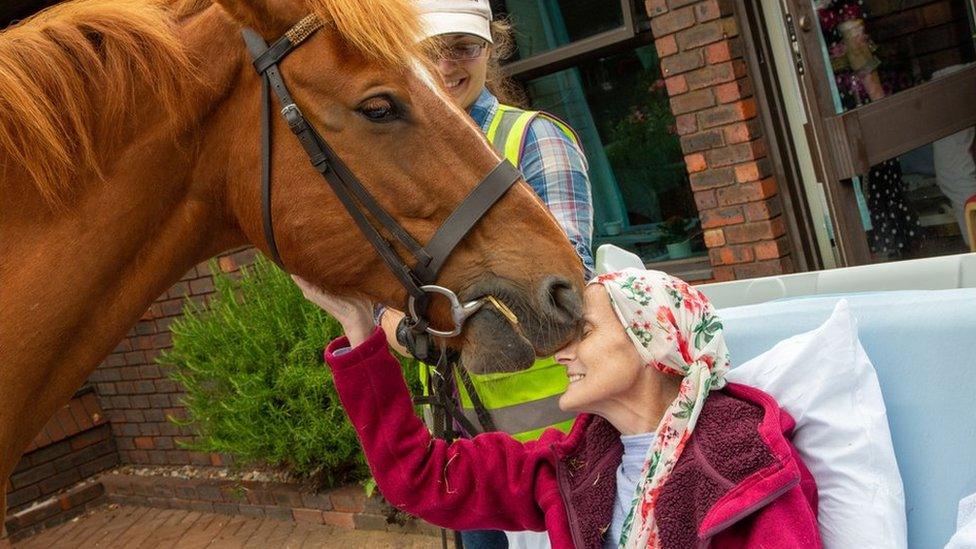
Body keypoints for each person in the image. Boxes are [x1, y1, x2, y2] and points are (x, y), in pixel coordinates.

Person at [294, 268, 822, 548]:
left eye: (584, 331)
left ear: (655, 347)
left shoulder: (745, 468)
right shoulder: (570, 467)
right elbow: (421, 479)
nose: (561, 350)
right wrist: (360, 327)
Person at [377, 2, 593, 546]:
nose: (448, 66)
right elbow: (382, 299)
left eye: (463, 48)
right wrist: (406, 328)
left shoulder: (533, 139)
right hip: (462, 442)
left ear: (490, 49)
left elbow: (570, 291)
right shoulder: (392, 164)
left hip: (557, 440)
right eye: (430, 51)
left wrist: (421, 323)